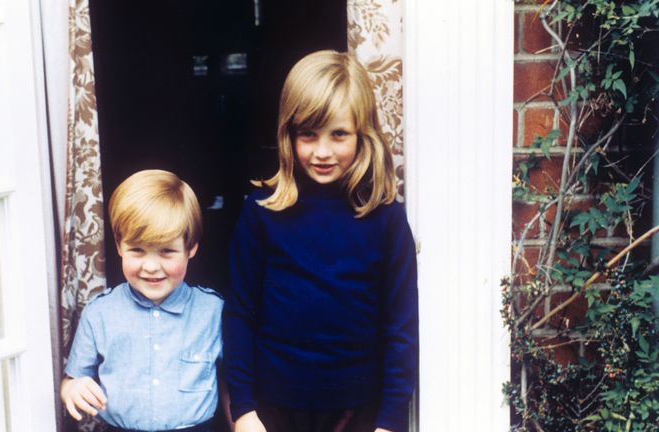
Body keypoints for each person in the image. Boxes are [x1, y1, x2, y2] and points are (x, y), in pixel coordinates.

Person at [223, 50, 418, 432]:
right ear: (288, 134)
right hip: (274, 409)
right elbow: (240, 314)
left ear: (363, 134)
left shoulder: (386, 218)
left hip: (357, 410)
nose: (323, 151)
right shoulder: (261, 212)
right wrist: (244, 409)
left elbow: (400, 326)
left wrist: (391, 420)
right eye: (308, 134)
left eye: (339, 134)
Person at [62, 169, 225, 432]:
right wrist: (72, 387)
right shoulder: (99, 313)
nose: (151, 266)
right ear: (118, 246)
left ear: (191, 247)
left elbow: (236, 383)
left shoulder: (213, 311)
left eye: (167, 252)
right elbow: (74, 378)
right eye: (137, 250)